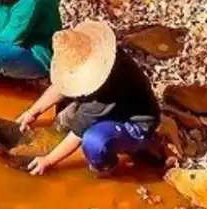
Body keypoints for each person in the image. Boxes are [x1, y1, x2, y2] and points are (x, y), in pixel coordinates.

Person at [17, 21, 162, 176]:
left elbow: (77, 134)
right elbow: (61, 86)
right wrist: (32, 112)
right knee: (62, 121)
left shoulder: (106, 88)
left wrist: (47, 160)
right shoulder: (101, 54)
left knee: (93, 142)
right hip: (115, 104)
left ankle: (111, 165)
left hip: (135, 121)